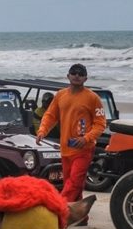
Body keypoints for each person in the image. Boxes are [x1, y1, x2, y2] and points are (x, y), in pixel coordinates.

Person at [35, 63, 106, 212]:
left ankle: (58, 211)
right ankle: (81, 217)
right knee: (72, 183)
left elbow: (100, 124)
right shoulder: (60, 95)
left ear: (86, 78)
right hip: (65, 149)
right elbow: (50, 115)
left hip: (84, 149)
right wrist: (42, 131)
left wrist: (86, 138)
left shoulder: (93, 98)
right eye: (74, 73)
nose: (77, 76)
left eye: (81, 74)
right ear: (68, 76)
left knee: (73, 183)